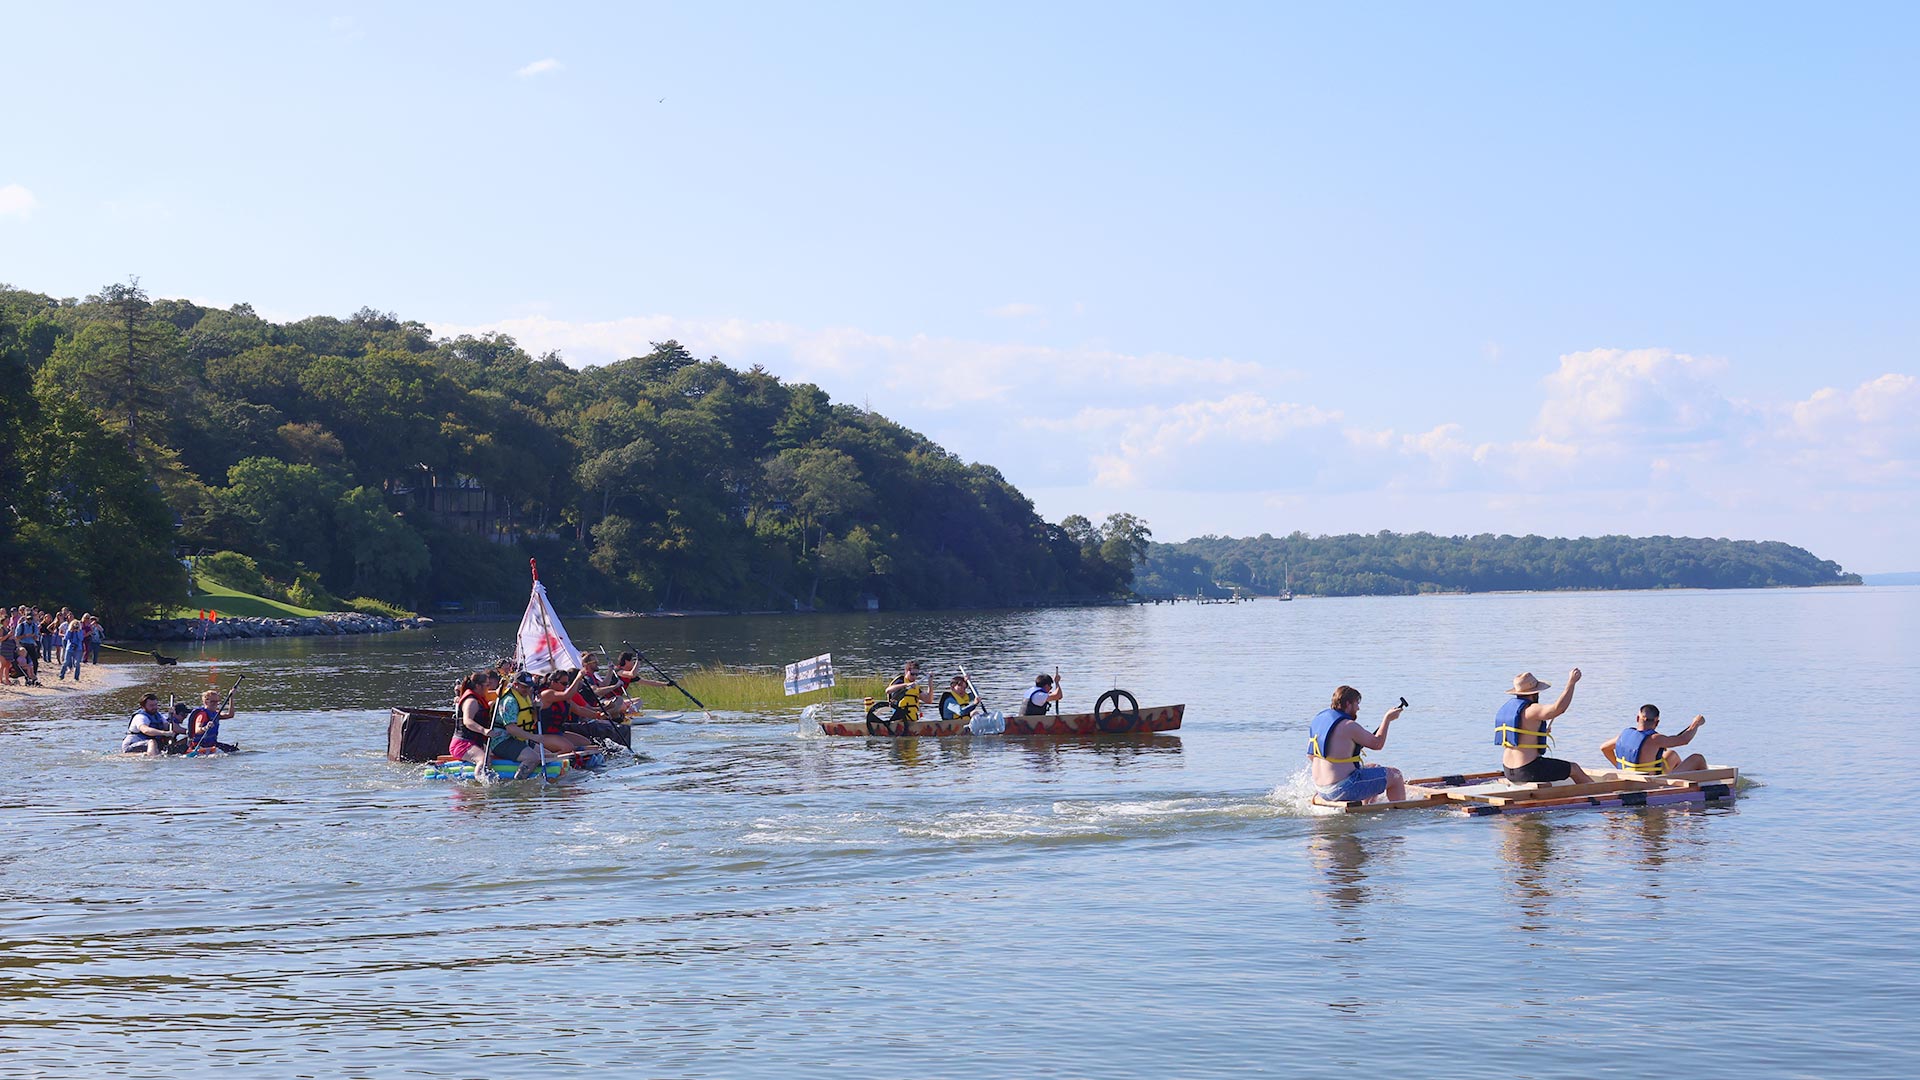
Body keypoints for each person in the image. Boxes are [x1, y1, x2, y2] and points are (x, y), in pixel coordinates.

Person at [1308, 685, 1408, 803]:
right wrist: (1387, 719)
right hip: (1343, 789)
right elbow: (1377, 744)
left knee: (1374, 767)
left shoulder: (1319, 721)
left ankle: (1369, 807)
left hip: (1322, 790)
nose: (1358, 708)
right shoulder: (1348, 725)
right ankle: (1400, 814)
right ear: (1348, 704)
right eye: (1357, 703)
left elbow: (1311, 756)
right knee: (1396, 775)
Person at [1496, 670, 1592, 785]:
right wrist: (1571, 682)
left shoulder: (1507, 710)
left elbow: (1522, 734)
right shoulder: (1532, 709)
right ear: (1534, 693)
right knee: (1574, 769)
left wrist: (1541, 733)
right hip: (1528, 769)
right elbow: (1558, 709)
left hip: (1508, 770)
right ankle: (1599, 795)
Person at [1600, 705, 1707, 776]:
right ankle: (1703, 786)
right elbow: (1684, 739)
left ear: (1638, 718)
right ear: (1657, 722)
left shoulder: (1623, 735)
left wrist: (1623, 770)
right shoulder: (1655, 739)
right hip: (1651, 782)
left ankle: (1678, 777)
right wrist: (1696, 724)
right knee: (1698, 758)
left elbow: (1604, 748)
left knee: (1671, 754)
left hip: (1628, 777)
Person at [448, 671, 494, 766]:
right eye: (487, 685)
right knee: (485, 761)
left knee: (495, 755)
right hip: (462, 744)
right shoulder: (471, 701)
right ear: (478, 686)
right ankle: (482, 779)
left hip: (475, 742)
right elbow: (467, 721)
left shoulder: (479, 698)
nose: (488, 688)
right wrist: (484, 730)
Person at [184, 688, 238, 753]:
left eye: (217, 702)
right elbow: (197, 730)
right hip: (200, 745)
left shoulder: (216, 714)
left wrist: (231, 697)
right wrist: (205, 728)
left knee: (234, 751)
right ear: (206, 702)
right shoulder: (202, 715)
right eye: (213, 701)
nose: (215, 704)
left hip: (212, 744)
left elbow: (230, 715)